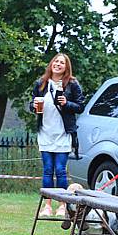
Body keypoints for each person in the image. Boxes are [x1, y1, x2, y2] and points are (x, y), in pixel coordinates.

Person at [30, 53, 84, 217]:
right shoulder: (41, 83)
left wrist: (67, 104)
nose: (58, 64)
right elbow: (32, 103)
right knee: (47, 170)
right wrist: (33, 106)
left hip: (63, 133)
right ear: (51, 64)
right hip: (45, 132)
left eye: (62, 62)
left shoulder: (72, 84)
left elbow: (80, 106)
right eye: (56, 61)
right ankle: (47, 205)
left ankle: (62, 205)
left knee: (60, 170)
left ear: (66, 67)